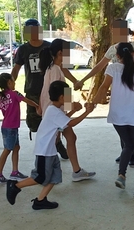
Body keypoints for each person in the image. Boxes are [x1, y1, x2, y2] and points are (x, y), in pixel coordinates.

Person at [74, 19, 134, 167]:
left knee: (133, 124)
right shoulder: (113, 49)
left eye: (119, 30)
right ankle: (127, 152)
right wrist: (83, 80)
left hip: (133, 90)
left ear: (125, 31)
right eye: (114, 30)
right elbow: (99, 67)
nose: (116, 33)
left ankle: (131, 154)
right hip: (119, 91)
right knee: (121, 123)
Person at [6, 81, 94, 210]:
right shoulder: (54, 111)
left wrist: (73, 110)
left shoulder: (53, 109)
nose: (70, 99)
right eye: (67, 96)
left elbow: (63, 121)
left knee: (55, 176)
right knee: (40, 177)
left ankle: (40, 201)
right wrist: (87, 112)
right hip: (44, 151)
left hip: (50, 150)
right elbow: (71, 124)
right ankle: (15, 186)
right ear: (62, 97)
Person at [93, 42, 134, 198]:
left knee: (128, 145)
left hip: (118, 117)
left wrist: (93, 102)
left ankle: (121, 175)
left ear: (117, 56)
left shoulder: (113, 68)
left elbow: (104, 86)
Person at [11, 19, 77, 160]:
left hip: (54, 93)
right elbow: (16, 69)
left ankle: (57, 147)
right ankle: (51, 147)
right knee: (37, 125)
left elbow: (63, 67)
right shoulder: (23, 49)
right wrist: (10, 85)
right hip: (35, 92)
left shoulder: (50, 48)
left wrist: (75, 81)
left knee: (62, 126)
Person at [39, 39, 96, 181]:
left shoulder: (54, 67)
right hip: (54, 113)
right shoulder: (55, 70)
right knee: (51, 143)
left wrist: (72, 104)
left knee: (70, 137)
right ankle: (41, 172)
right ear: (60, 53)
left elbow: (58, 91)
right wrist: (73, 107)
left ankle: (76, 171)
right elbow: (56, 93)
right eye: (68, 52)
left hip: (55, 112)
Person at [0, 73, 42, 183]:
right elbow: (27, 100)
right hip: (11, 128)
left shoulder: (1, 98)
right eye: (13, 81)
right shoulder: (14, 94)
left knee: (16, 147)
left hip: (7, 127)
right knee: (7, 150)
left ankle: (15, 171)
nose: (15, 83)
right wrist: (37, 106)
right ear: (9, 82)